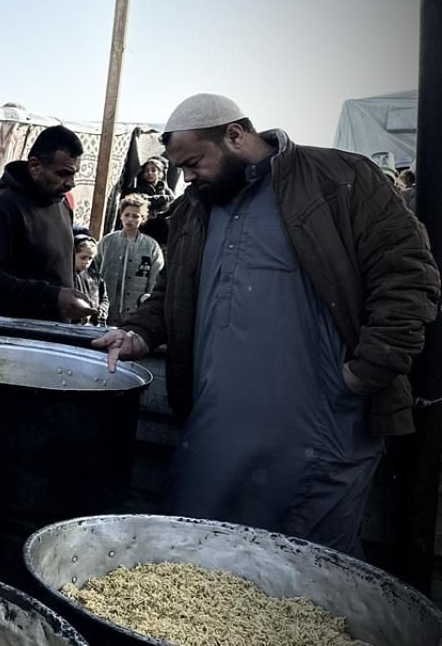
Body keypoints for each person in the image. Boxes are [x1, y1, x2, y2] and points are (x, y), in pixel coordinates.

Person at [92, 93, 439, 556]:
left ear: (235, 135)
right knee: (192, 564)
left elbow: (408, 274)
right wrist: (140, 331)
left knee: (300, 580)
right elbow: (174, 290)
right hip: (216, 431)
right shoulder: (197, 205)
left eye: (194, 162)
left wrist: (365, 372)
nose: (187, 177)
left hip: (319, 431)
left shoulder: (340, 178)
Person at [0, 125, 94, 322]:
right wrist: (53, 297)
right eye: (63, 174)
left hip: (55, 332)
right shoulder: (2, 209)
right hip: (16, 339)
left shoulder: (62, 205)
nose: (71, 183)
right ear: (35, 166)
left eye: (74, 174)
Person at [98, 193, 165, 325]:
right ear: (121, 215)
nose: (130, 219)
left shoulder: (151, 246)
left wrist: (148, 301)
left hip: (135, 312)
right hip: (106, 310)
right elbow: (93, 271)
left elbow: (156, 278)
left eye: (135, 216)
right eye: (127, 215)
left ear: (143, 219)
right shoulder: (107, 242)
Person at [72, 233, 109, 326]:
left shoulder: (95, 277)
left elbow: (104, 298)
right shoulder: (66, 275)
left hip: (92, 325)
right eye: (83, 257)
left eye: (90, 258)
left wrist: (102, 309)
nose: (86, 262)